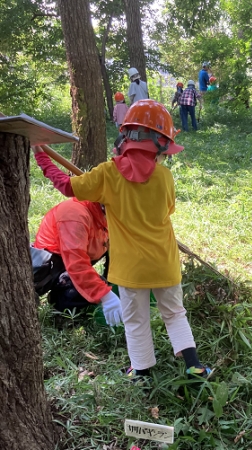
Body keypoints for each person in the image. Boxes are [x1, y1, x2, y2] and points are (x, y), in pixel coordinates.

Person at [32, 99, 210, 381]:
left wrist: (41, 156)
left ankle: (140, 371)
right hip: (164, 262)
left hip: (130, 269)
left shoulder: (108, 174)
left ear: (125, 139)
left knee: (136, 321)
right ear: (160, 147)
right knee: (175, 313)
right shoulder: (165, 177)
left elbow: (67, 186)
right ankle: (194, 366)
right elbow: (168, 210)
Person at [31, 198, 123, 327]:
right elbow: (76, 264)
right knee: (79, 291)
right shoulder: (74, 214)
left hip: (80, 256)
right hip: (52, 266)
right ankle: (62, 313)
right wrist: (105, 295)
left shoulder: (109, 214)